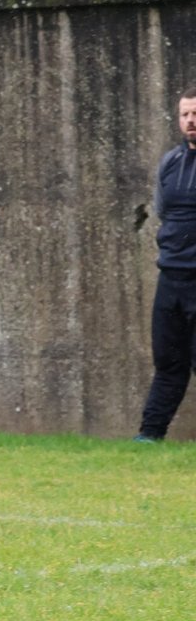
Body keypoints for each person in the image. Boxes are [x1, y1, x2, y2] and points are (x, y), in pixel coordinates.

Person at [135, 88, 196, 442]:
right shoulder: (170, 162)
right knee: (169, 363)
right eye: (185, 114)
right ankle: (149, 435)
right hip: (171, 278)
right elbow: (163, 211)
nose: (190, 121)